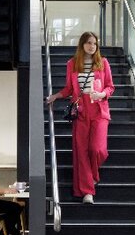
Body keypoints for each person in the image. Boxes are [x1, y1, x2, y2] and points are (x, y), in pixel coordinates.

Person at [46, 31, 115, 204]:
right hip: (81, 112)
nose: (92, 46)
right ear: (82, 44)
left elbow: (110, 87)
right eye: (89, 43)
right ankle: (87, 192)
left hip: (99, 111)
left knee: (97, 149)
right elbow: (69, 88)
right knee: (82, 152)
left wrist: (101, 94)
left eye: (95, 43)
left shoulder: (103, 63)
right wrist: (56, 96)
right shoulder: (72, 64)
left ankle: (93, 175)